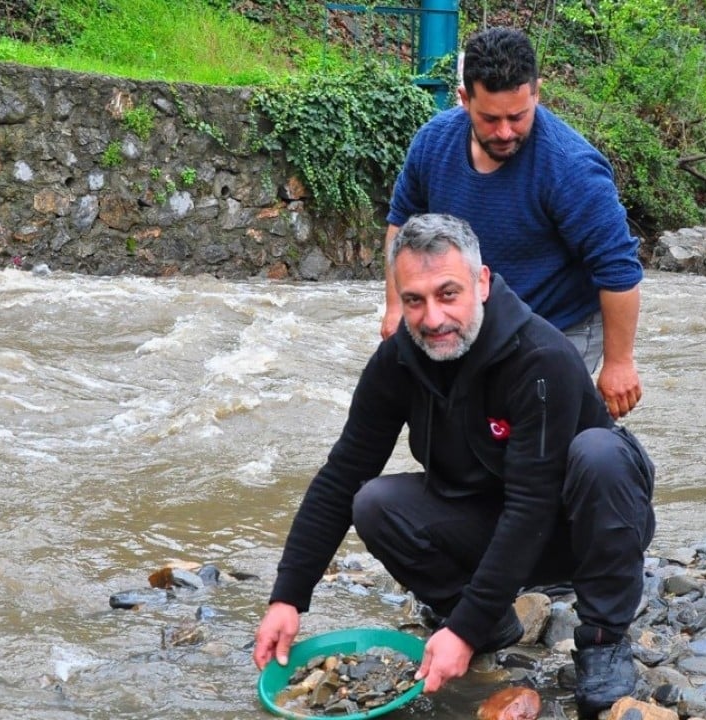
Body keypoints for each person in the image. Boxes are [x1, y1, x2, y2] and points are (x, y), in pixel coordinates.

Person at [254, 213, 656, 717]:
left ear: (481, 283)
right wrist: (287, 598)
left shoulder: (540, 358)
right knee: (373, 502)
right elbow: (341, 476)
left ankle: (603, 640)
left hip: (579, 527)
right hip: (492, 519)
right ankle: (492, 625)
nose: (432, 318)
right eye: (414, 300)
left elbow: (531, 503)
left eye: (448, 294)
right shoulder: (396, 362)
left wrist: (458, 632)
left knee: (600, 453)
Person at [381, 26, 645, 420]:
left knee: (530, 430)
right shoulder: (433, 144)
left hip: (561, 324)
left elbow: (618, 271)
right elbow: (401, 225)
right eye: (490, 118)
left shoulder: (571, 168)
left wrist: (619, 362)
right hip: (472, 317)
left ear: (537, 92)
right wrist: (395, 307)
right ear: (464, 99)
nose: (505, 132)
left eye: (518, 116)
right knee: (459, 426)